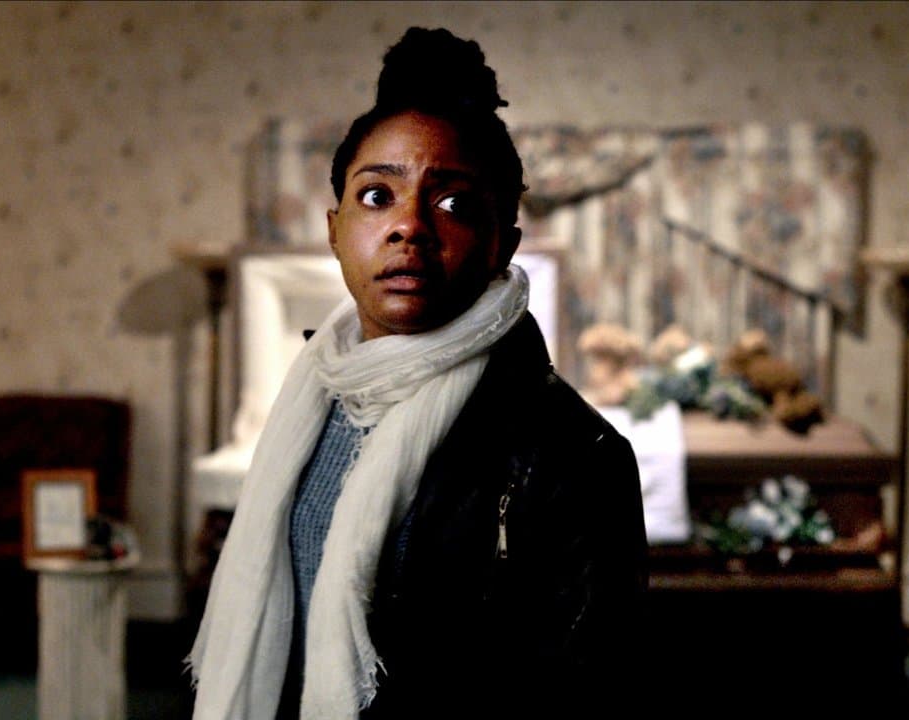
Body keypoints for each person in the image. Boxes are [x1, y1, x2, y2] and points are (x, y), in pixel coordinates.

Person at [188, 28, 646, 720]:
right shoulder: (317, 397)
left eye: (453, 203)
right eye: (378, 196)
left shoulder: (574, 456)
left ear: (502, 243)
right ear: (335, 229)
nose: (410, 227)